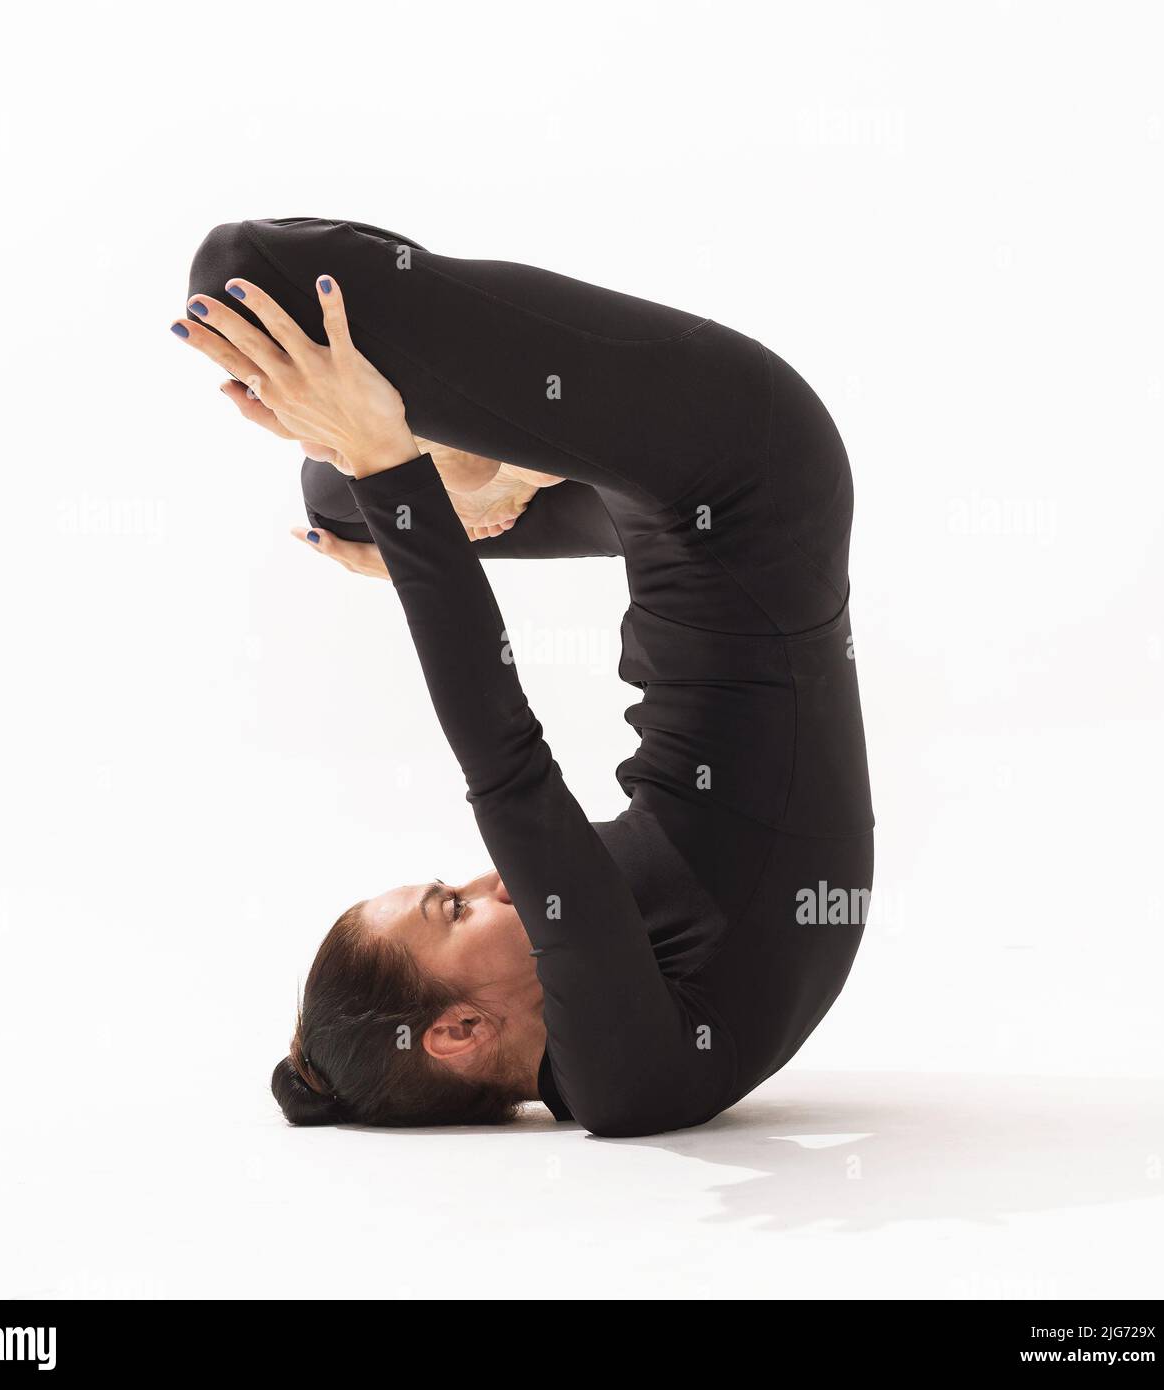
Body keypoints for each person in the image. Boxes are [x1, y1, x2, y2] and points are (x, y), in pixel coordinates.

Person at [173, 219, 873, 1138]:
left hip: (667, 527)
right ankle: (475, 479)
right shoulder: (626, 1077)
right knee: (250, 279)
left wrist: (398, 496)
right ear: (459, 1032)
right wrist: (389, 464)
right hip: (748, 471)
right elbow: (504, 757)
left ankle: (479, 482)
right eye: (451, 909)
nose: (488, 880)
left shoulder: (618, 1051)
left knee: (336, 512)